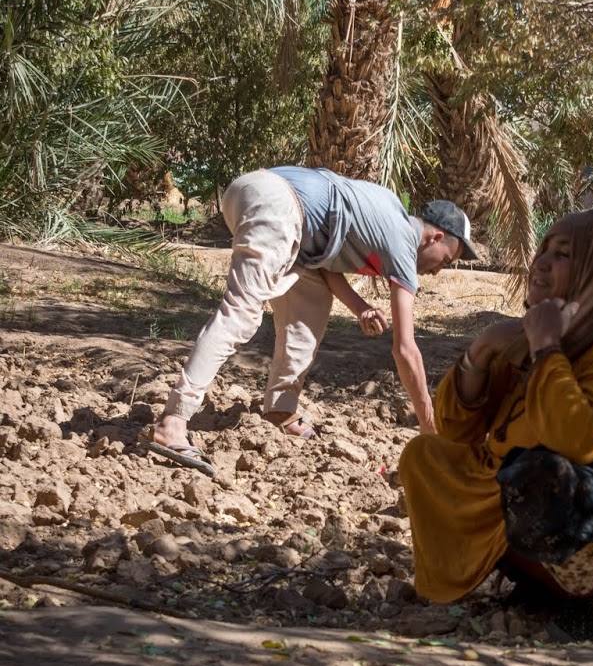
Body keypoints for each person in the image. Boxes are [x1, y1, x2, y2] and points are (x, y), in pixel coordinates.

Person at [398, 210, 593, 640]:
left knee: (538, 478)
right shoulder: (524, 341)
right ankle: (542, 585)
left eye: (563, 255)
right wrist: (483, 349)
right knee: (427, 457)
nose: (541, 263)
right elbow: (455, 432)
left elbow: (580, 440)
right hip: (545, 494)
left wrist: (547, 347)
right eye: (543, 251)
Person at [148, 167, 478, 476]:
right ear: (434, 237)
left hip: (270, 201)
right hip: (279, 204)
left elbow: (327, 267)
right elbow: (406, 349)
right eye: (445, 260)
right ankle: (173, 421)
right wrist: (429, 429)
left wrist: (360, 307)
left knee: (312, 303)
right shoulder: (403, 244)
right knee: (242, 313)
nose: (438, 271)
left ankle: (280, 407)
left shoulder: (388, 214)